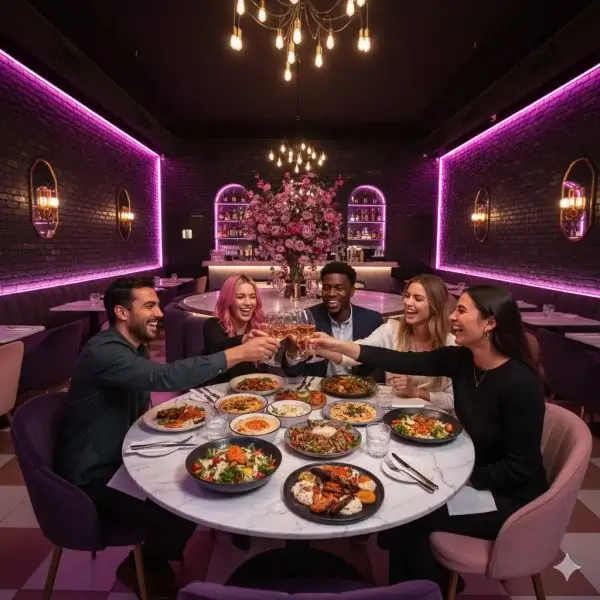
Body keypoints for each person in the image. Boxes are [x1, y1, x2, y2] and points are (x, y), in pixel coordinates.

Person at [312, 285, 548, 593]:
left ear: (490, 323)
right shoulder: (463, 360)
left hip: (509, 499)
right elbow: (398, 360)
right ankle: (412, 586)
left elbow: (521, 468)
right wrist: (336, 345)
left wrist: (460, 480)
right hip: (475, 474)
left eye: (461, 310)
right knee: (405, 508)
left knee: (412, 516)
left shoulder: (520, 384)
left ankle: (426, 590)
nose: (451, 317)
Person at [55, 277, 278, 600]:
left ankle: (158, 559)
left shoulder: (132, 345)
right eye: (149, 306)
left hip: (121, 455)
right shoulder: (105, 352)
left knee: (196, 471)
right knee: (184, 503)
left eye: (157, 305)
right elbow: (162, 376)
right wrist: (237, 354)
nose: (159, 313)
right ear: (121, 312)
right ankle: (144, 566)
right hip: (94, 476)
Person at [318, 274, 456, 411]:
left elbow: (452, 400)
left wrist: (415, 392)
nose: (408, 303)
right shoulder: (391, 330)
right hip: (392, 413)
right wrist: (319, 348)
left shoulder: (452, 345)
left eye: (418, 299)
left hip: (433, 418)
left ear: (435, 306)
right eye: (407, 296)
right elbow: (354, 355)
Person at [282, 261, 383, 380]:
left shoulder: (371, 320)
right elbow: (292, 372)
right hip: (318, 389)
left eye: (339, 288)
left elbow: (380, 365)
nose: (331, 293)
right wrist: (292, 353)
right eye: (326, 288)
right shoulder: (308, 319)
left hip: (361, 388)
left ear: (352, 291)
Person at [203, 274, 265, 385]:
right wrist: (243, 340)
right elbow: (217, 350)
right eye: (240, 297)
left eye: (252, 297)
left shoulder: (260, 327)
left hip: (254, 392)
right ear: (228, 300)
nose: (248, 303)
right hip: (220, 391)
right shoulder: (213, 324)